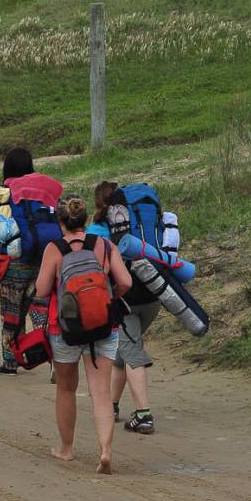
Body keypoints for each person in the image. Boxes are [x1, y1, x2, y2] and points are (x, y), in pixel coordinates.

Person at [35, 196, 131, 474]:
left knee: (66, 388)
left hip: (64, 328)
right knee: (100, 391)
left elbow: (41, 290)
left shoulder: (54, 249)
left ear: (60, 222)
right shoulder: (104, 245)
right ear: (86, 220)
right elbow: (125, 281)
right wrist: (111, 296)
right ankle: (105, 450)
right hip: (102, 323)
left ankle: (66, 449)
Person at [0, 147, 62, 375]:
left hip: (12, 261)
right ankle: (56, 359)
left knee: (12, 312)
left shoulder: (3, 191)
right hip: (46, 258)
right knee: (41, 310)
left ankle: (11, 362)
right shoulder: (49, 187)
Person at [89, 181, 160, 435]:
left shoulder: (98, 229)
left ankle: (144, 415)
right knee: (122, 351)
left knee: (132, 353)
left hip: (126, 299)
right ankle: (113, 405)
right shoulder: (141, 223)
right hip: (155, 293)